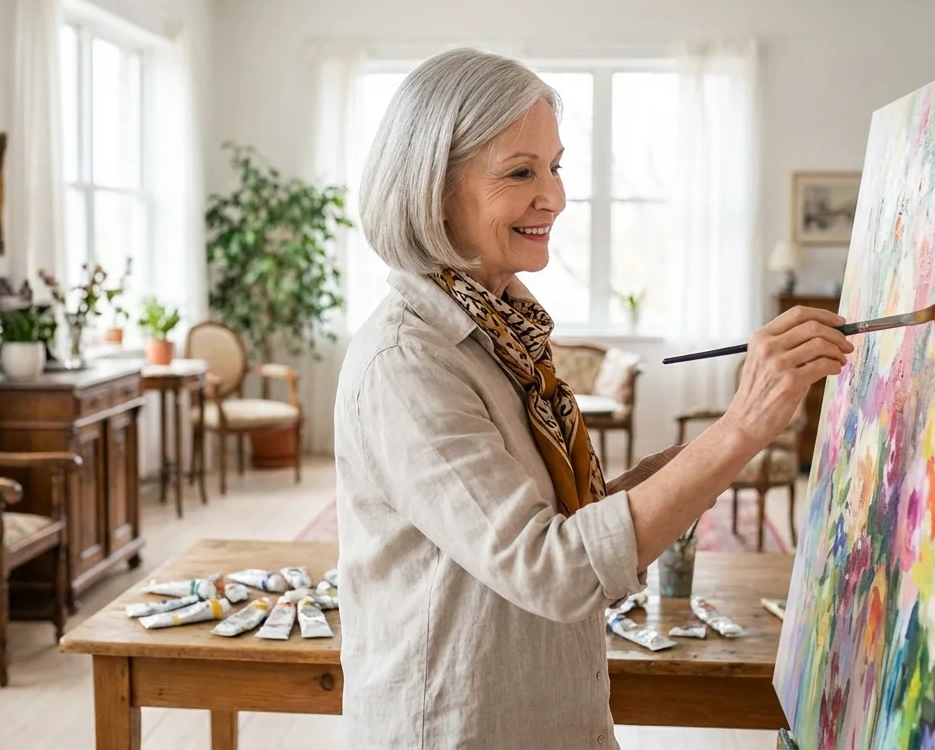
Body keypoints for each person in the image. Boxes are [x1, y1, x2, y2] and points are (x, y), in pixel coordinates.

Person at [333, 47, 854, 749]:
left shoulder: (505, 328)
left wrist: (741, 431)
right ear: (433, 188)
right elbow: (555, 568)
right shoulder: (407, 361)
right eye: (521, 172)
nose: (553, 195)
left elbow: (583, 517)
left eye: (555, 166)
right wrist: (740, 426)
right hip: (461, 729)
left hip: (549, 711)